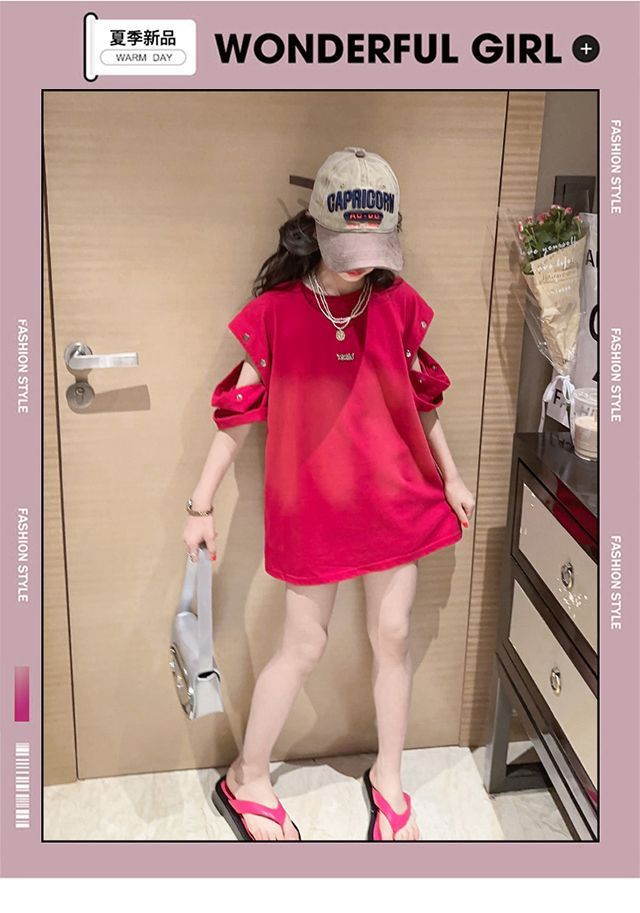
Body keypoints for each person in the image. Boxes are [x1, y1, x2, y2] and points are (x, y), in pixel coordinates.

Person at [183, 146, 475, 842]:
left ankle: (389, 777)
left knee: (393, 634)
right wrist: (200, 506)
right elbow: (236, 416)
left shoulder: (395, 304)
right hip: (313, 508)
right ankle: (246, 776)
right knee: (303, 645)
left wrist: (453, 474)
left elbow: (421, 399)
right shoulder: (278, 313)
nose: (360, 265)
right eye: (348, 249)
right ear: (316, 229)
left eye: (374, 251)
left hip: (395, 499)